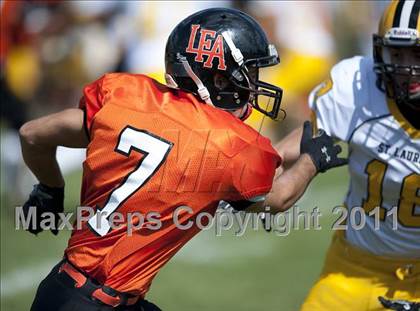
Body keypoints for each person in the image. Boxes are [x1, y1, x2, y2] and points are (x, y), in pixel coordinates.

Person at [19, 8, 345, 311]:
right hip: (101, 302)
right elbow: (278, 197)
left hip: (64, 288)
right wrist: (313, 160)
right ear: (218, 79)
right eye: (249, 73)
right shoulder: (227, 144)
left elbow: (33, 134)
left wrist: (49, 190)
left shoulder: (127, 100)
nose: (255, 84)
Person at [276, 1, 420, 310]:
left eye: (417, 54)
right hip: (351, 269)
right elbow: (301, 142)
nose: (405, 67)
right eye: (397, 53)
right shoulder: (358, 87)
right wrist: (256, 163)